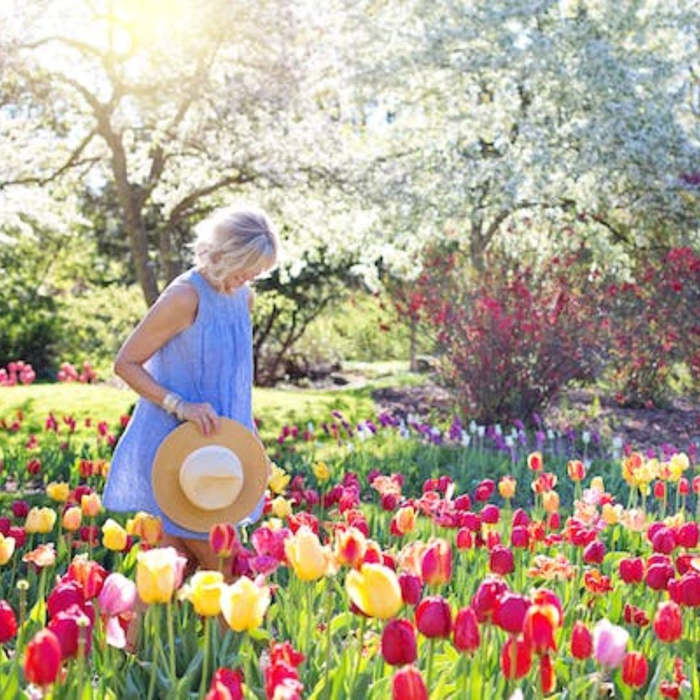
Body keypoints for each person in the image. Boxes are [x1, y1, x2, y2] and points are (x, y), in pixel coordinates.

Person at [102, 205, 280, 575]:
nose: (248, 278)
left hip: (220, 449)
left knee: (171, 568)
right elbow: (126, 363)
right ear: (221, 253)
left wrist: (246, 437)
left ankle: (115, 633)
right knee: (227, 573)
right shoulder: (185, 297)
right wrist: (180, 405)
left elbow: (233, 380)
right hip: (181, 448)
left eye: (256, 272)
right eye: (244, 267)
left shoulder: (243, 297)